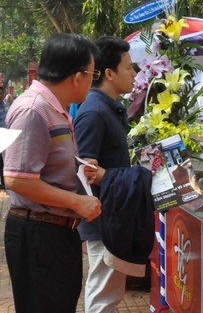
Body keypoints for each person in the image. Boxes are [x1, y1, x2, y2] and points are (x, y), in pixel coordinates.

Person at [3, 33, 102, 313]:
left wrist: (78, 166)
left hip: (55, 232)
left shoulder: (54, 109)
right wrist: (77, 201)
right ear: (77, 76)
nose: (91, 81)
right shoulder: (34, 110)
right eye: (92, 74)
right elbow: (16, 178)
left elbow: (43, 164)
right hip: (38, 233)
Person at [73, 36, 137, 312]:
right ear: (109, 73)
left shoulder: (108, 108)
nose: (135, 74)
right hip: (103, 222)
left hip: (113, 217)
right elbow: (85, 172)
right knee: (103, 296)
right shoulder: (94, 113)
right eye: (130, 68)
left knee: (109, 294)